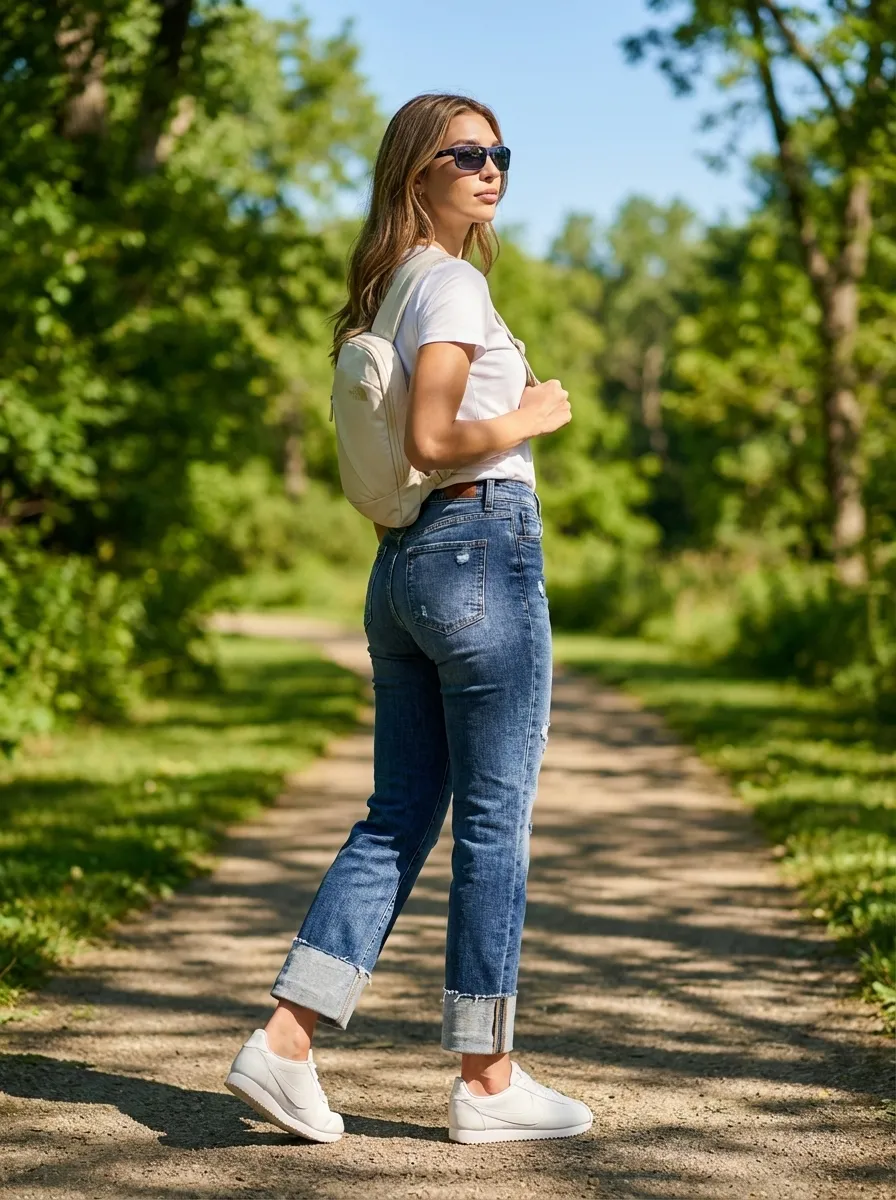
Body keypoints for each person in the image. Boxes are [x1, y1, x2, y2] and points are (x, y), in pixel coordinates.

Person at [225, 92, 591, 1146]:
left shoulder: (389, 291)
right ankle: (487, 1082)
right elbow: (433, 436)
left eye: (499, 153)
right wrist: (532, 413)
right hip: (478, 543)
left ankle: (285, 1044)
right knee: (493, 818)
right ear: (412, 175)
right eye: (463, 154)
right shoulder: (453, 284)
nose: (489, 169)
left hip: (403, 569)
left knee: (399, 813)